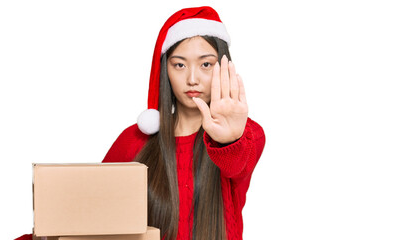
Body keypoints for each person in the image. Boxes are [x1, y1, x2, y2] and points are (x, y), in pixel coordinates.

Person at [15, 6, 264, 240]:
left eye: (206, 64)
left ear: (224, 67)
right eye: (179, 65)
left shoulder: (247, 135)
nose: (192, 78)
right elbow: (93, 211)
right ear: (165, 70)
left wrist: (229, 141)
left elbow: (237, 166)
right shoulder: (135, 140)